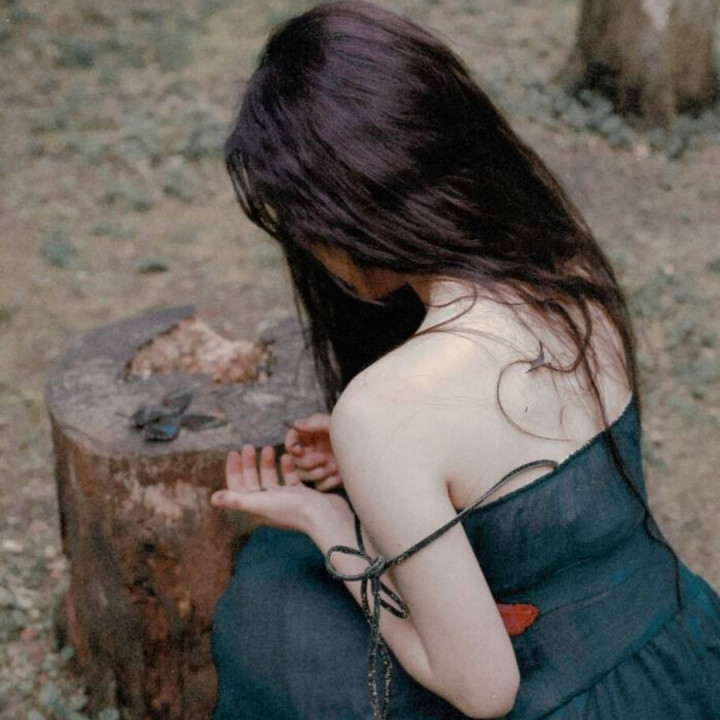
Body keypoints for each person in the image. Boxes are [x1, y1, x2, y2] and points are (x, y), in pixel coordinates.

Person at [209, 2, 720, 718]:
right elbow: (565, 501)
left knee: (270, 601)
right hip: (679, 650)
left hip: (568, 702)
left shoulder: (385, 410)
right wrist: (391, 474)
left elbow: (484, 690)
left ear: (337, 211)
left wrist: (325, 522)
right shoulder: (568, 272)